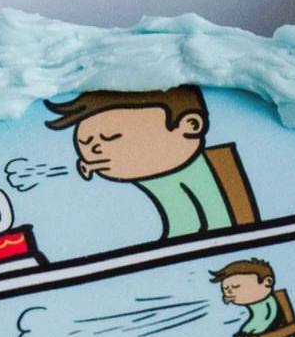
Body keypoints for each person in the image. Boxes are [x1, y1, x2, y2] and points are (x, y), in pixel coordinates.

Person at [44, 86, 235, 238]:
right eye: (85, 143)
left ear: (190, 125)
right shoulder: (153, 179)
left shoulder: (210, 168)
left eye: (110, 137)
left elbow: (221, 222)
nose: (94, 151)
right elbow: (183, 227)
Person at [210, 258, 283, 335]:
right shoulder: (256, 302)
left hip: (271, 325)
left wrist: (249, 332)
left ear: (267, 282)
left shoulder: (267, 302)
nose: (229, 292)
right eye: (225, 288)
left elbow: (268, 318)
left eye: (236, 286)